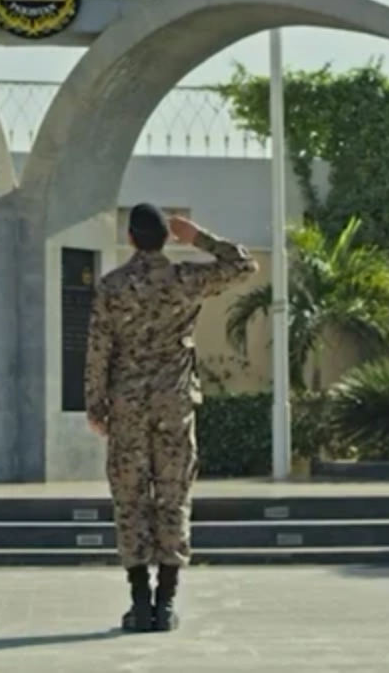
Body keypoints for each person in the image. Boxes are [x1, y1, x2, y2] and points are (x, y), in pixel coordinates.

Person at [84, 204, 259, 634]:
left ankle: (139, 601)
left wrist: (95, 406)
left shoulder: (112, 286)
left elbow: (98, 350)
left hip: (127, 406)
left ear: (130, 237)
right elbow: (243, 265)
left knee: (130, 500)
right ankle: (165, 603)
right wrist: (198, 237)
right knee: (173, 496)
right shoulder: (186, 279)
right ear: (166, 238)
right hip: (173, 404)